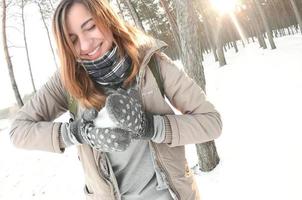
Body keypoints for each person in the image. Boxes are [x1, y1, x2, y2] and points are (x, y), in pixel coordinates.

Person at [9, 0, 222, 199]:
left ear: (106, 18)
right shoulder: (66, 81)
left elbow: (211, 123)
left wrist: (151, 126)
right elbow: (18, 131)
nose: (85, 45)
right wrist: (79, 133)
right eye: (72, 39)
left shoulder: (151, 63)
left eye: (90, 27)